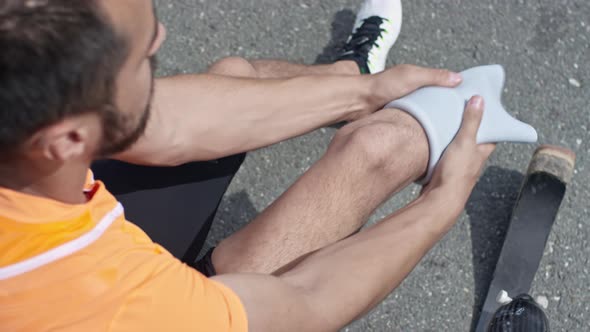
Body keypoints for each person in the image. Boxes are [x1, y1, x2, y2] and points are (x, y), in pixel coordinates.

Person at [0, 0, 494, 331]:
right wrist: (440, 205)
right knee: (385, 146)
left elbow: (171, 123)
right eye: (141, 54)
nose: (161, 37)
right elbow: (307, 302)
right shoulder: (110, 306)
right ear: (67, 139)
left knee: (234, 78)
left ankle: (354, 70)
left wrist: (362, 91)